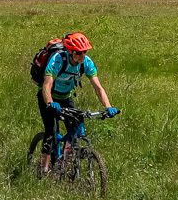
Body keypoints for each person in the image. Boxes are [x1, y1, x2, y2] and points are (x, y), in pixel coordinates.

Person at [38, 32, 118, 161]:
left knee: (74, 130)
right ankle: (43, 170)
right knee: (51, 133)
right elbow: (47, 85)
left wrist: (108, 106)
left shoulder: (86, 62)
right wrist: (50, 103)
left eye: (84, 52)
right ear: (70, 51)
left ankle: (68, 163)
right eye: (78, 53)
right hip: (48, 98)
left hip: (65, 97)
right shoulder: (57, 60)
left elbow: (98, 88)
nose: (82, 56)